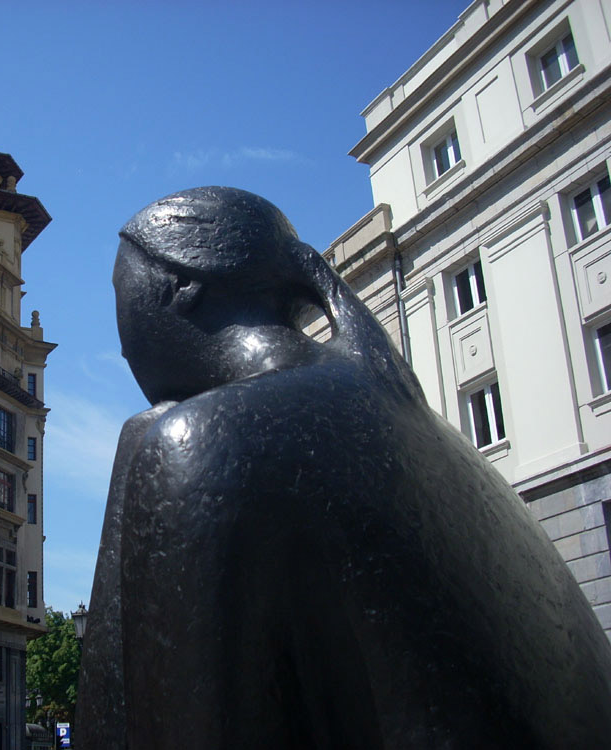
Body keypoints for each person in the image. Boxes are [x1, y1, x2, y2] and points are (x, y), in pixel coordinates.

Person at [76, 187, 611, 749]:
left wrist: (158, 447)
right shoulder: (424, 432)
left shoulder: (214, 438)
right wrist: (137, 450)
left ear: (180, 283)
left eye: (121, 291)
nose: (119, 347)